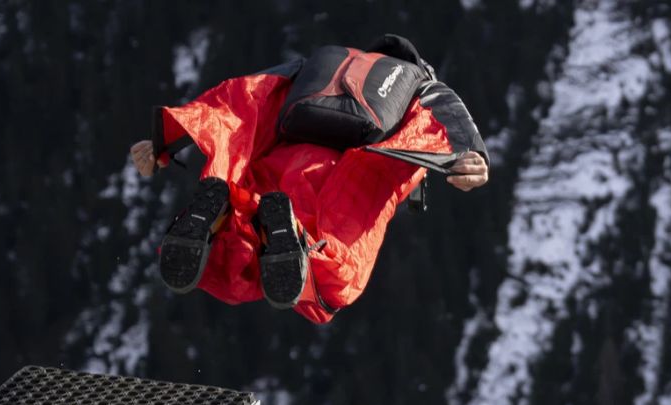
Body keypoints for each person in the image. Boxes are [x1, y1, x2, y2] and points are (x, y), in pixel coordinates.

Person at [129, 41, 488, 324]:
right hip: (347, 175)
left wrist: (166, 141)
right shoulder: (422, 88)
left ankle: (222, 217)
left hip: (284, 158)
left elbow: (246, 94)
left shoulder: (316, 67)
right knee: (338, 279)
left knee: (243, 237)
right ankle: (297, 238)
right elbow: (453, 128)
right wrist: (473, 161)